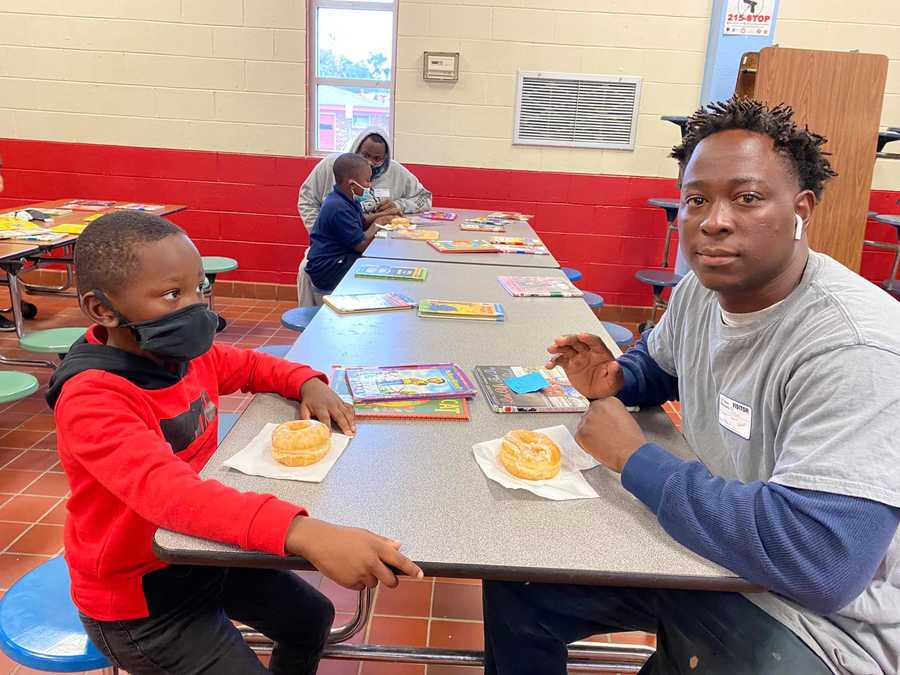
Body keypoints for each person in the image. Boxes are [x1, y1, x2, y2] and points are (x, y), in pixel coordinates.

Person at [483, 98, 900, 675]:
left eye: (747, 198)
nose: (714, 220)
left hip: (824, 621)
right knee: (521, 584)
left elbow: (821, 559)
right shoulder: (703, 291)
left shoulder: (856, 349)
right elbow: (664, 366)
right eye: (697, 199)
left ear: (801, 210)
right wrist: (620, 378)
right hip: (719, 555)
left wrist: (634, 458)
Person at [47, 210, 423, 675]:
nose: (197, 307)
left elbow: (251, 366)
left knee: (313, 618)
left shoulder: (184, 356)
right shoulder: (93, 398)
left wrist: (308, 382)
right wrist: (303, 532)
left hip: (202, 556)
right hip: (142, 604)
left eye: (198, 288)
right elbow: (169, 495)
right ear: (103, 309)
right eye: (171, 294)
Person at [296, 128, 432, 304]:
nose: (370, 162)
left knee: (384, 269)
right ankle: (312, 323)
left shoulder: (396, 172)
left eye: (377, 159)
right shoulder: (334, 167)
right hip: (335, 252)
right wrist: (323, 233)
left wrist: (396, 206)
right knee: (306, 268)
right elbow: (307, 199)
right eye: (365, 155)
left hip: (373, 244)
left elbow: (425, 198)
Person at [304, 153, 379, 297]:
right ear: (352, 184)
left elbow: (361, 220)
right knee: (373, 269)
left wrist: (384, 215)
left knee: (373, 262)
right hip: (328, 269)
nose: (370, 185)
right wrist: (379, 224)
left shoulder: (347, 199)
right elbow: (361, 244)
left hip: (339, 259)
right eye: (367, 181)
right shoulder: (337, 207)